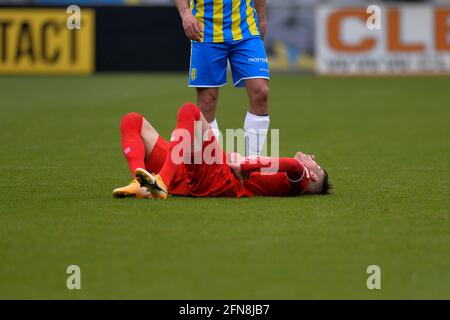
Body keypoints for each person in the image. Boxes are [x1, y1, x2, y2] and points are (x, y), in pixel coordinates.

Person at [112, 102, 331, 199]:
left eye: (317, 166)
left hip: (219, 178)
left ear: (311, 176)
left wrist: (243, 164)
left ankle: (161, 183)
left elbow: (292, 165)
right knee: (132, 121)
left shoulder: (299, 180)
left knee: (191, 111)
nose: (313, 158)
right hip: (201, 173)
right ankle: (141, 182)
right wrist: (239, 159)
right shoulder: (284, 181)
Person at [174, 0, 270, 156]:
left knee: (261, 91)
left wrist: (262, 17)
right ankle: (215, 167)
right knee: (207, 101)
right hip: (205, 30)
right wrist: (185, 13)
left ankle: (253, 164)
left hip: (245, 28)